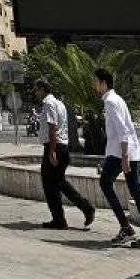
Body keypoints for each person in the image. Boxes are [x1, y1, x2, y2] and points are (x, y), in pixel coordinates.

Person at [96, 68, 140, 250]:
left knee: (106, 183)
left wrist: (124, 157)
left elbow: (122, 130)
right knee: (136, 192)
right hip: (128, 151)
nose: (94, 85)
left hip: (120, 153)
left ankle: (128, 228)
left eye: (96, 81)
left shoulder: (111, 102)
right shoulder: (117, 99)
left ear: (103, 83)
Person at [33, 78, 95, 230]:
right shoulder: (59, 103)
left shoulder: (49, 103)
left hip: (54, 147)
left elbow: (52, 128)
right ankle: (72, 213)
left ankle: (65, 216)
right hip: (62, 147)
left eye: (37, 90)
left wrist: (52, 152)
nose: (35, 93)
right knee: (58, 183)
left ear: (42, 89)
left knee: (50, 184)